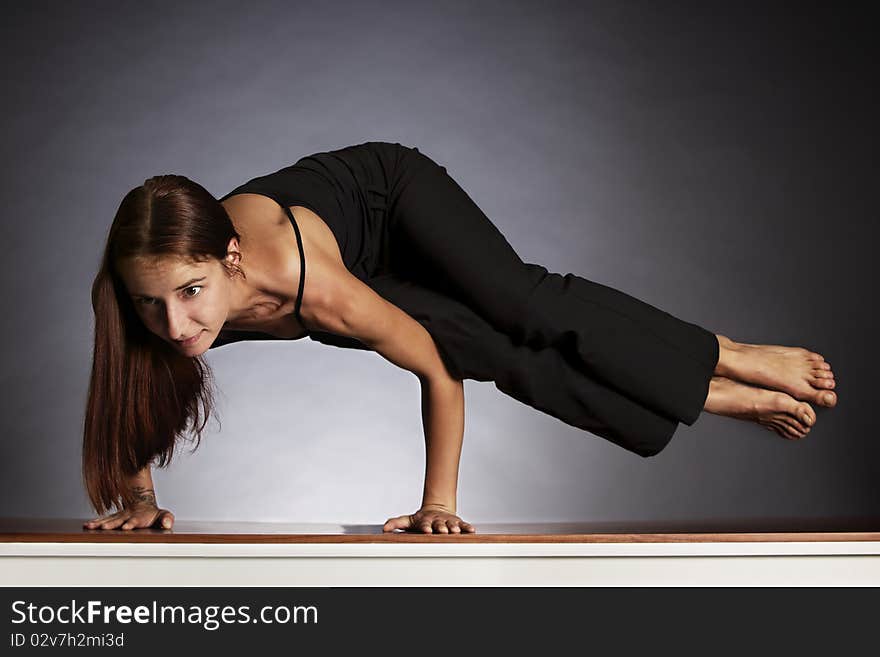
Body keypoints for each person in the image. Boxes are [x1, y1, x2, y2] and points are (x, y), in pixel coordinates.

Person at [82, 141, 838, 535]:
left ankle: (719, 352)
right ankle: (702, 395)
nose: (175, 326)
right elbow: (133, 392)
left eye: (192, 294)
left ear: (231, 259)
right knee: (496, 354)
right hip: (352, 262)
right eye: (153, 305)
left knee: (522, 304)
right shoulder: (143, 303)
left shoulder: (305, 280)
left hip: (389, 201)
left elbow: (437, 375)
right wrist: (141, 499)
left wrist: (436, 502)